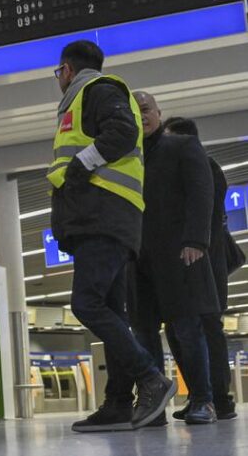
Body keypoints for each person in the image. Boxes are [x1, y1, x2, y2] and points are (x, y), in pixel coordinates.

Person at [48, 40, 175, 432]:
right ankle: (118, 403)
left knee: (86, 303)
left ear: (67, 70)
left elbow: (122, 129)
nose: (59, 79)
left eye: (58, 73)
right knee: (113, 310)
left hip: (102, 217)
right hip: (103, 218)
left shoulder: (97, 90)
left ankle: (150, 378)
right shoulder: (82, 99)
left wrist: (80, 168)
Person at [130, 94, 217, 424]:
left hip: (179, 254)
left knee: (186, 329)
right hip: (138, 258)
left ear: (159, 114)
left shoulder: (181, 147)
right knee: (144, 332)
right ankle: (154, 408)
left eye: (146, 110)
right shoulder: (126, 157)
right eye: (134, 113)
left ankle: (203, 400)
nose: (141, 117)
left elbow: (201, 191)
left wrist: (196, 239)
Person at [162, 116, 238, 421]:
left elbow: (204, 215)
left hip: (205, 262)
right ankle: (200, 394)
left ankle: (219, 398)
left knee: (208, 327)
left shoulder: (205, 166)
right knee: (181, 329)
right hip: (191, 263)